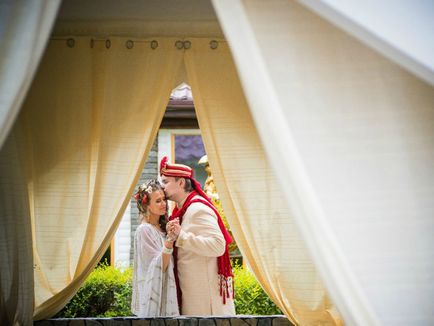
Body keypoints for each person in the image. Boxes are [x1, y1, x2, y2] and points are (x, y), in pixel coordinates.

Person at [160, 156, 235, 316]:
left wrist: (181, 236)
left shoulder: (197, 209)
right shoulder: (181, 211)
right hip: (193, 298)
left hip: (206, 304)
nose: (162, 186)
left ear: (181, 183)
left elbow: (218, 245)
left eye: (166, 182)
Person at [131, 180, 179, 317]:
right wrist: (170, 241)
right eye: (158, 201)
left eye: (164, 199)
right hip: (154, 298)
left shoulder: (163, 228)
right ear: (147, 206)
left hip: (168, 292)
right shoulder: (144, 231)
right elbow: (158, 266)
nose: (164, 204)